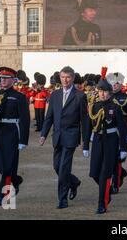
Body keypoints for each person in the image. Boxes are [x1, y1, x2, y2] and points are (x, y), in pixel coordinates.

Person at [40, 66, 89, 209]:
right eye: (62, 77)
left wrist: (85, 142)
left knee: (63, 168)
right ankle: (73, 182)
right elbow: (49, 117)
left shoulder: (80, 96)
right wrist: (43, 134)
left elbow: (85, 121)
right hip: (57, 136)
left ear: (73, 78)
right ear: (59, 78)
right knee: (57, 166)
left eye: (68, 77)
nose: (65, 80)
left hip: (71, 136)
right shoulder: (54, 95)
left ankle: (62, 199)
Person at [0, 67, 30, 206]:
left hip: (12, 133)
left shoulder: (19, 97)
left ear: (13, 80)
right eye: (1, 78)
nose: (3, 80)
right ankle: (15, 180)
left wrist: (23, 140)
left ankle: (3, 196)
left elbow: (25, 120)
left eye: (6, 78)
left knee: (8, 166)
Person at [83, 67, 127, 214]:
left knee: (105, 174)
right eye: (100, 91)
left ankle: (102, 203)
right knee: (94, 173)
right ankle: (107, 191)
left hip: (111, 141)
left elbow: (122, 129)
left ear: (109, 92)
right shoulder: (94, 106)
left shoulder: (115, 107)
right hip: (97, 140)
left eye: (105, 91)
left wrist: (123, 149)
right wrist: (85, 146)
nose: (102, 94)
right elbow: (88, 126)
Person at [108, 72, 127, 194]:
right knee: (109, 158)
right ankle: (122, 174)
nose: (114, 85)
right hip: (109, 133)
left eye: (117, 83)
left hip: (122, 133)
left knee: (118, 159)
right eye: (112, 83)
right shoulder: (105, 97)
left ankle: (115, 184)